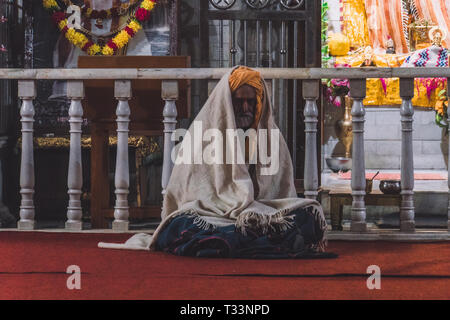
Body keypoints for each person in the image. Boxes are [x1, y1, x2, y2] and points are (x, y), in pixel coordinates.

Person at [99, 66, 336, 259]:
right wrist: (232, 207)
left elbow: (280, 194)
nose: (245, 108)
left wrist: (254, 210)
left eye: (251, 102)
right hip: (212, 216)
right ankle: (263, 243)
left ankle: (242, 242)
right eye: (238, 102)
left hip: (257, 216)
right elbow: (187, 195)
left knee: (306, 214)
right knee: (181, 226)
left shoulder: (271, 137)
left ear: (260, 104)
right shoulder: (202, 134)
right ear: (226, 102)